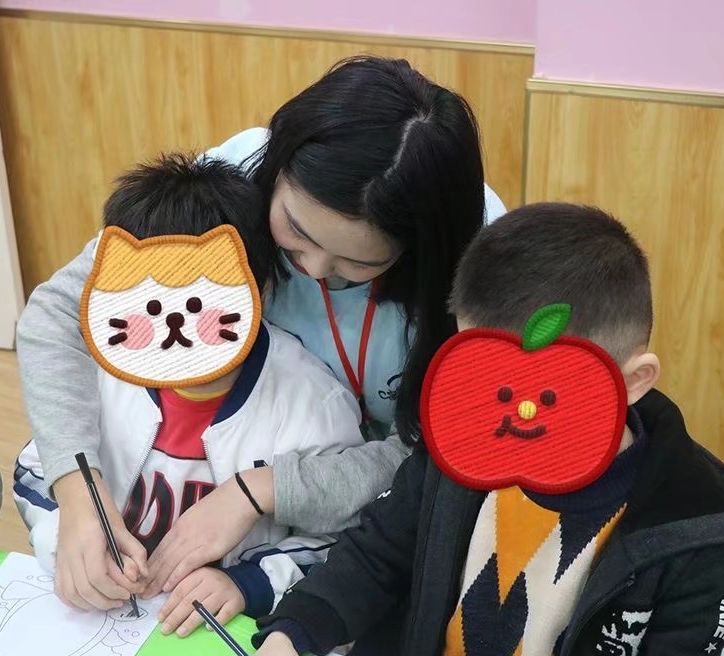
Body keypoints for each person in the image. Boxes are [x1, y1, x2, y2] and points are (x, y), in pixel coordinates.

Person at [14, 56, 506, 610]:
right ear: (278, 167)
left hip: (355, 533)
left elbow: (431, 457)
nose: (313, 269)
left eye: (357, 264)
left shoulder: (474, 266)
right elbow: (61, 313)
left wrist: (261, 491)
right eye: (295, 231)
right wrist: (80, 497)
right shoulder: (231, 181)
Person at [252, 203, 724, 656]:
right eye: (482, 375)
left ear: (634, 380)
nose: (509, 413)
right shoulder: (465, 439)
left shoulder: (697, 533)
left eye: (543, 390)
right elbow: (379, 552)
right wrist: (295, 629)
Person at [13, 154, 365, 637]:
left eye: (199, 304)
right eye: (149, 305)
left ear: (260, 288)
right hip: (105, 624)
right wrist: (66, 532)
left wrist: (248, 582)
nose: (175, 327)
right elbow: (35, 470)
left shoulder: (312, 403)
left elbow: (344, 538)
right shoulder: (99, 373)